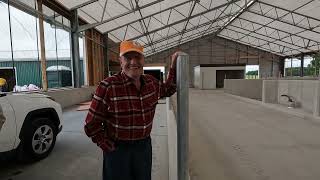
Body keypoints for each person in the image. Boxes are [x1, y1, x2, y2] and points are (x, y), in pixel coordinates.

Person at [84, 40, 179, 180]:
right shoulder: (108, 86)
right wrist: (106, 145)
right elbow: (91, 124)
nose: (133, 62)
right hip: (118, 150)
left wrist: (173, 66)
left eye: (138, 57)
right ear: (121, 61)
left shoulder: (152, 83)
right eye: (128, 58)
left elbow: (169, 89)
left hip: (143, 147)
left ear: (143, 60)